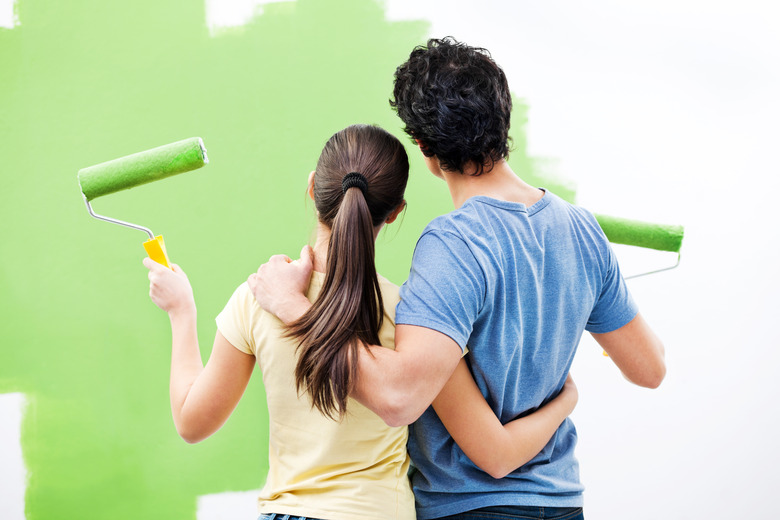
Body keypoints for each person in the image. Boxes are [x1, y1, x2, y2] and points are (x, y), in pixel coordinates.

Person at [248, 39, 667, 520]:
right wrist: (565, 366)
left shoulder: (452, 244)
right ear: (503, 120)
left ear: (424, 147)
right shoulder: (581, 229)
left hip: (470, 508)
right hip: (564, 503)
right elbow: (649, 368)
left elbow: (398, 398)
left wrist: (295, 309)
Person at [145, 124, 580, 520]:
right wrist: (564, 400)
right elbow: (492, 448)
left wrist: (182, 312)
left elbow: (191, 422)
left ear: (313, 188)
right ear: (394, 212)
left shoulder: (258, 297)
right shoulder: (415, 317)